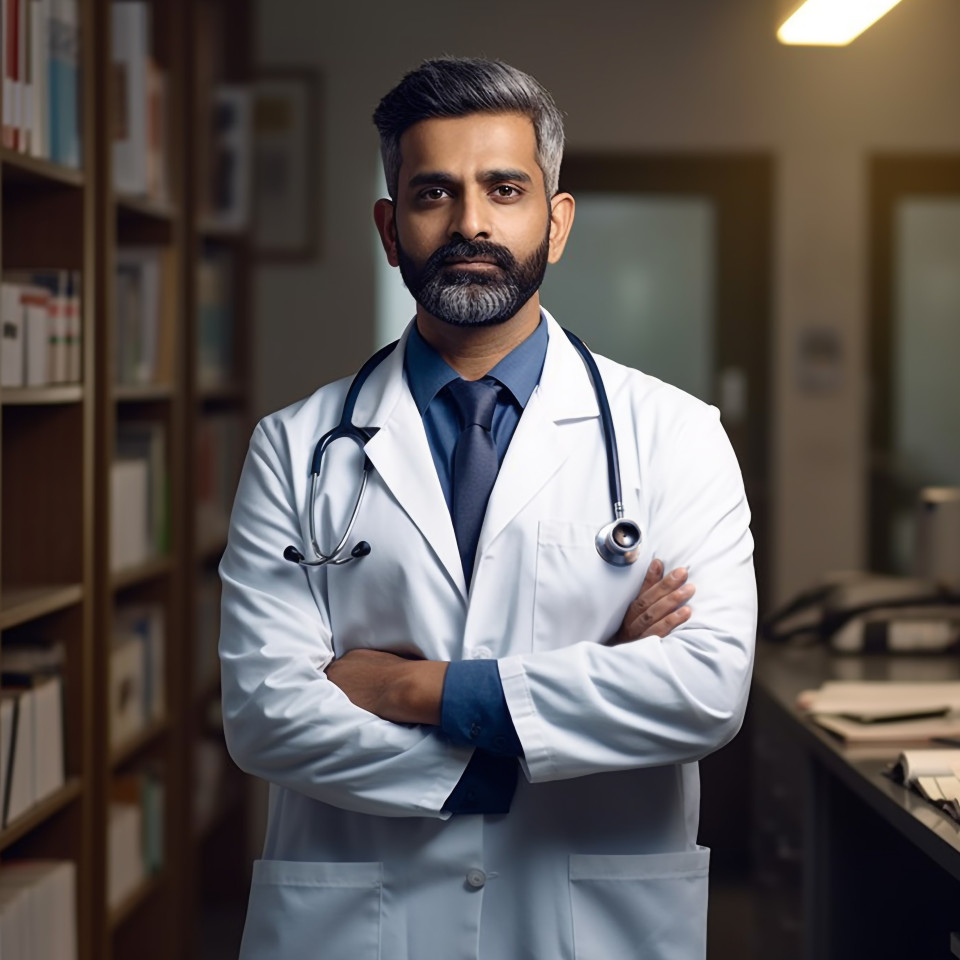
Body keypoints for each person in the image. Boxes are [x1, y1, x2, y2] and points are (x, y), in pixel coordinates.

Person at [219, 57, 756, 960]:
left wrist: (407, 688)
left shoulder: (675, 434)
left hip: (591, 923)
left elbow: (703, 691)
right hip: (362, 924)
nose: (471, 222)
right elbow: (267, 714)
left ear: (557, 219)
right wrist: (579, 692)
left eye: (504, 188)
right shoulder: (295, 445)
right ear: (391, 230)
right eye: (435, 192)